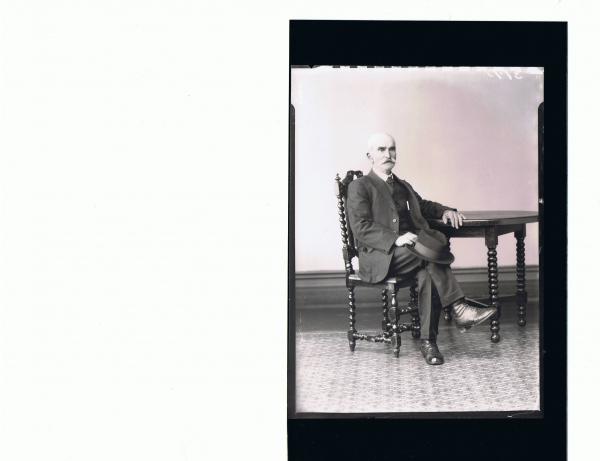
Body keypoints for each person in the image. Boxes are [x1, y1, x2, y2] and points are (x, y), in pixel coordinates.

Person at [346, 132, 496, 365]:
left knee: (428, 273)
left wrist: (446, 211)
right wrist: (395, 239)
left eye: (392, 149)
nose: (388, 154)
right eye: (381, 149)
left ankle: (429, 343)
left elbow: (423, 205)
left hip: (411, 254)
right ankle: (458, 307)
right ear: (369, 156)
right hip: (379, 256)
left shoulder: (402, 185)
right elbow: (360, 227)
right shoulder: (360, 186)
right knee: (428, 254)